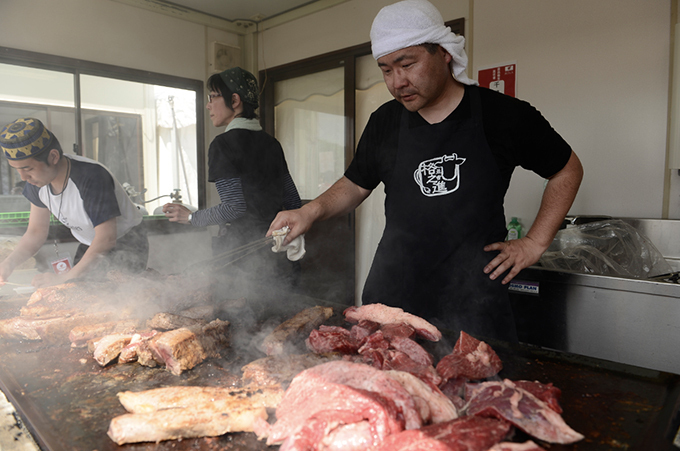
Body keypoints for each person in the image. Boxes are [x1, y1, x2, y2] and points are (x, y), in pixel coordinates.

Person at [267, 0, 583, 342]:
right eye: (386, 69)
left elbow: (566, 170)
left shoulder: (503, 116)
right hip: (393, 297)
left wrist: (535, 241)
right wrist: (309, 211)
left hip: (473, 301)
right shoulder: (385, 122)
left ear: (443, 52)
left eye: (407, 64)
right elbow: (356, 184)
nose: (397, 81)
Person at [163, 67, 302, 293]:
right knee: (282, 320)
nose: (208, 105)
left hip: (243, 260)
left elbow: (234, 207)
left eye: (213, 97)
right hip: (278, 254)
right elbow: (293, 202)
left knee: (241, 323)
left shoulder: (223, 145)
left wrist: (191, 217)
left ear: (234, 100)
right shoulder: (272, 143)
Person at [0, 117, 149, 288]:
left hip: (126, 242)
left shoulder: (91, 177)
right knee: (76, 294)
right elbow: (35, 232)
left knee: (119, 299)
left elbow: (106, 238)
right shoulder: (37, 182)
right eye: (17, 170)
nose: (23, 178)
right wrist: (7, 264)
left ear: (53, 157)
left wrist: (64, 278)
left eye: (28, 169)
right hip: (89, 243)